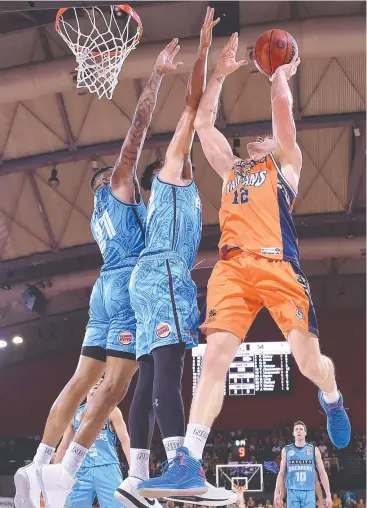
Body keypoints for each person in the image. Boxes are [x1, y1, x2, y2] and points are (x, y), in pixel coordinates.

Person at [136, 31, 350, 497]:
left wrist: (278, 76)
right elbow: (204, 125)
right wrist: (217, 74)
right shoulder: (232, 170)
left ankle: (332, 399)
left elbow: (284, 117)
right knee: (212, 360)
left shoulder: (287, 164)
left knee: (309, 362)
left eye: (269, 137)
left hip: (278, 268)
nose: (260, 138)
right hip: (231, 270)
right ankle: (189, 462)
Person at [14, 39, 182, 508]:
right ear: (111, 181)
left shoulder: (97, 215)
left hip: (104, 287)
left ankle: (39, 461)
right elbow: (139, 128)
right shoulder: (119, 184)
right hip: (127, 286)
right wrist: (157, 76)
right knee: (116, 386)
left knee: (81, 380)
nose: (121, 168)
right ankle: (66, 472)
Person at [116, 8, 236, 508]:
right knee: (167, 367)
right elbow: (192, 111)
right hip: (162, 276)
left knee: (147, 375)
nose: (184, 152)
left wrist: (209, 263)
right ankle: (181, 466)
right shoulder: (170, 175)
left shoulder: (173, 201)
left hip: (156, 276)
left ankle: (135, 477)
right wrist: (207, 54)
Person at [56, 379, 130, 508]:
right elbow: (63, 446)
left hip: (107, 467)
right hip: (80, 469)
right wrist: (55, 471)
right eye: (95, 381)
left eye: (101, 382)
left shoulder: (112, 411)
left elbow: (125, 440)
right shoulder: (75, 415)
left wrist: (134, 469)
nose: (97, 383)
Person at [273, 421, 332, 508]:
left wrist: (328, 495)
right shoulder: (286, 450)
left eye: (301, 429)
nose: (299, 431)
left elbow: (322, 473)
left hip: (309, 492)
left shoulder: (314, 450)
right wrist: (276, 493)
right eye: (296, 429)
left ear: (305, 433)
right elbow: (281, 474)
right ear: (293, 433)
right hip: (292, 492)